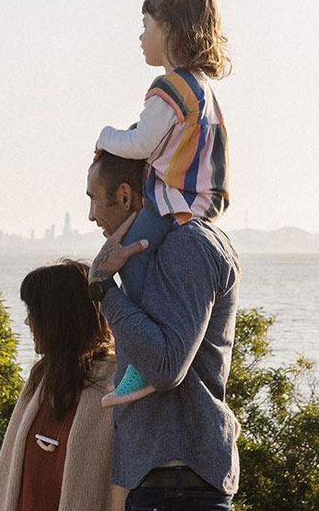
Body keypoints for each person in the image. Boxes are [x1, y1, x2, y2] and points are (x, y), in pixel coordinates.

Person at [95, 0, 232, 408]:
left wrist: (104, 135)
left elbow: (140, 144)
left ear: (169, 30)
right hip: (199, 199)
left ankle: (141, 369)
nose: (140, 37)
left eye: (145, 25)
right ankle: (140, 363)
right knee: (142, 261)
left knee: (128, 258)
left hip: (174, 200)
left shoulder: (170, 87)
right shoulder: (202, 89)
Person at [85, 152, 241, 510]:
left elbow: (166, 366)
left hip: (180, 489)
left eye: (93, 198)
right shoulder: (160, 253)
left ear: (125, 196)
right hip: (166, 487)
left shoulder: (187, 245)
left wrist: (104, 290)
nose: (91, 215)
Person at [0, 260, 128, 511]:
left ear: (58, 319)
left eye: (34, 312)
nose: (28, 322)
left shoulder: (115, 386)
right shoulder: (40, 380)